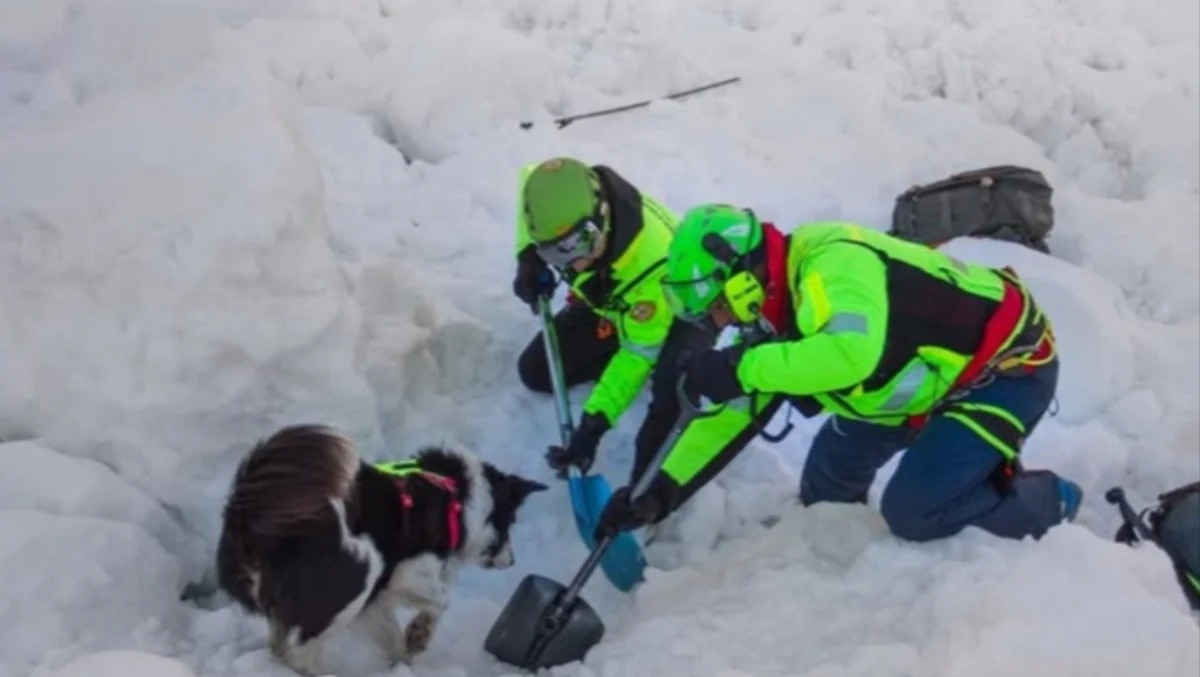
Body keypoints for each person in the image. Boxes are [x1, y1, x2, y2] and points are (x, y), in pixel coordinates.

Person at [594, 203, 1084, 544]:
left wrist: (743, 367)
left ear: (742, 280)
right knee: (825, 495)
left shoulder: (831, 262)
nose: (721, 324)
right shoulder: (770, 310)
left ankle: (1044, 499)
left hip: (1004, 370)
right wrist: (660, 492)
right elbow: (737, 411)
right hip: (917, 388)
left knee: (913, 513)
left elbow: (851, 354)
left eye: (719, 308)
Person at [511, 158, 713, 481]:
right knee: (536, 372)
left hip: (675, 310)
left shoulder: (655, 265)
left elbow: (637, 352)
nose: (573, 264)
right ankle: (616, 355)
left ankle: (649, 491)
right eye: (555, 253)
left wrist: (594, 424)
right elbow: (528, 184)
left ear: (602, 216)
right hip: (611, 302)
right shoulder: (562, 203)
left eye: (579, 245)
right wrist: (528, 256)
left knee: (671, 388)